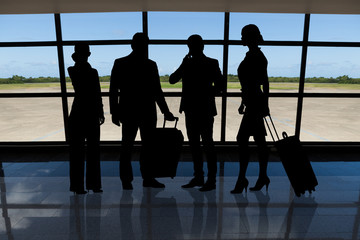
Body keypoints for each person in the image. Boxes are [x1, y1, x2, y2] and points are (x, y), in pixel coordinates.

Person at [110, 32, 175, 190]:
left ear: (132, 45)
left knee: (127, 147)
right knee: (147, 148)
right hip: (147, 112)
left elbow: (113, 91)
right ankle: (148, 178)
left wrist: (115, 112)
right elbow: (157, 92)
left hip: (128, 111)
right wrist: (165, 112)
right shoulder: (150, 65)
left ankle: (127, 180)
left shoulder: (120, 63)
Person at [169, 34, 223, 192]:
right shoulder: (212, 63)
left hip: (192, 109)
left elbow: (172, 79)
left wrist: (183, 64)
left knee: (198, 145)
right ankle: (207, 178)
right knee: (206, 144)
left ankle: (201, 177)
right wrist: (207, 93)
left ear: (190, 47)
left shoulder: (188, 63)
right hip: (204, 108)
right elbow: (220, 85)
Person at [231, 24, 270, 194]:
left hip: (255, 103)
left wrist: (264, 105)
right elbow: (249, 84)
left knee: (242, 139)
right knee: (260, 142)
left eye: (243, 35)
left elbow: (263, 83)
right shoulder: (253, 55)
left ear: (249, 37)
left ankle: (243, 179)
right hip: (253, 102)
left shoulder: (257, 56)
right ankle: (261, 176)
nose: (241, 38)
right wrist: (243, 102)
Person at [68, 43, 104, 194]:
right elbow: (97, 93)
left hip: (77, 112)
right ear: (88, 54)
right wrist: (101, 111)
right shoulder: (91, 71)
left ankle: (78, 186)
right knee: (93, 152)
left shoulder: (72, 69)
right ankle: (94, 184)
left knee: (77, 153)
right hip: (91, 113)